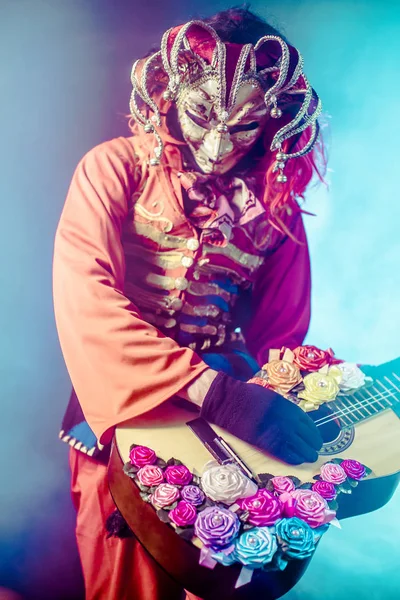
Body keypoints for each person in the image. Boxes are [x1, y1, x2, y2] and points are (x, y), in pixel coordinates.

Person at [53, 7, 325, 600]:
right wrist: (216, 393)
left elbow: (284, 339)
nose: (217, 143)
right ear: (172, 91)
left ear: (274, 121)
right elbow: (88, 304)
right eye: (203, 113)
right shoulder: (114, 168)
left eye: (245, 126)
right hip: (124, 406)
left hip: (231, 431)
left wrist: (268, 410)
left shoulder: (277, 211)